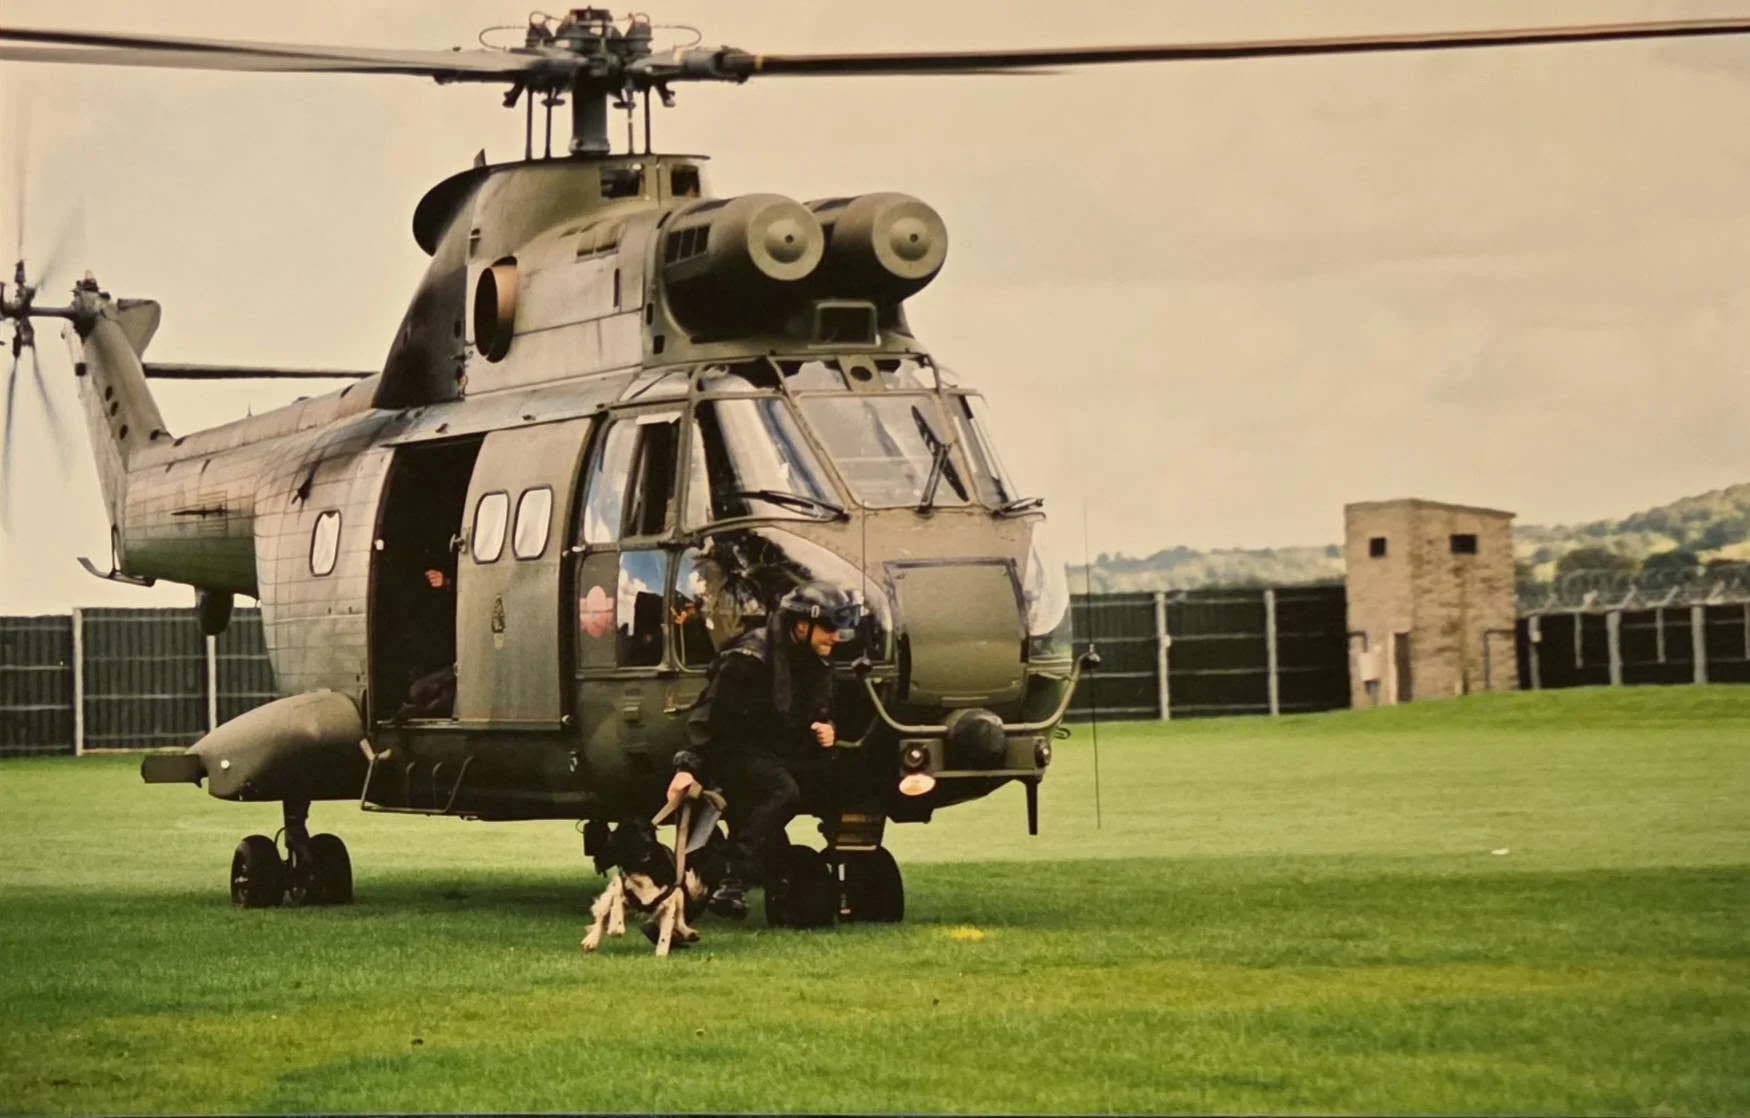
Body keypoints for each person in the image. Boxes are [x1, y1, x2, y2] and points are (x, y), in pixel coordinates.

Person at [671, 580, 860, 919]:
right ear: (802, 625)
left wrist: (830, 729)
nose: (836, 637)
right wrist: (688, 766)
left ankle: (827, 881)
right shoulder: (750, 657)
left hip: (778, 752)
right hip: (734, 749)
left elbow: (822, 710)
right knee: (782, 790)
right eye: (829, 628)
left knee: (846, 782)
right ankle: (735, 876)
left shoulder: (815, 660)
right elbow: (709, 716)